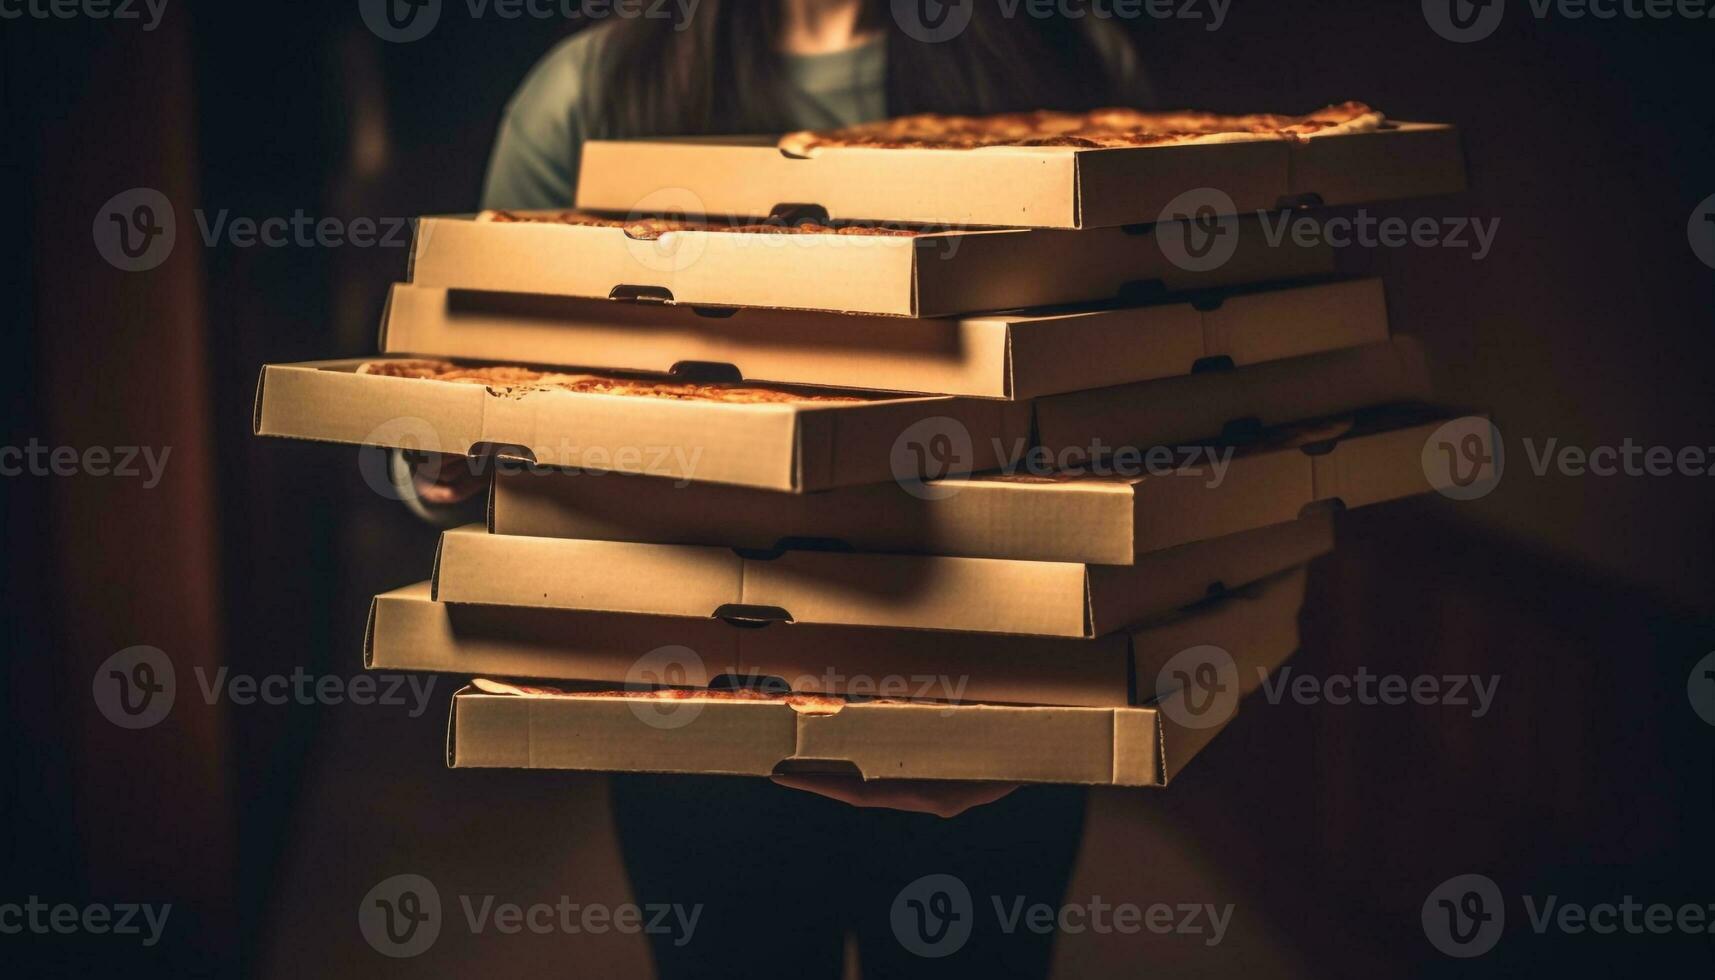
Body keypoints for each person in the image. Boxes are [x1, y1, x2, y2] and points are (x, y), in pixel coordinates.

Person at [405, 2, 1154, 975]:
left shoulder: (1065, 54)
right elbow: (455, 385)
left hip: (991, 683)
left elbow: (1158, 376)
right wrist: (442, 453)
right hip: (694, 692)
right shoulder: (590, 89)